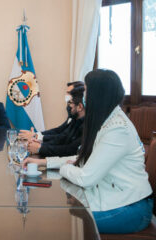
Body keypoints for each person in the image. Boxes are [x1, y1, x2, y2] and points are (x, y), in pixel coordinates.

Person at [59, 69, 153, 234]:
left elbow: (86, 177)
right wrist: (48, 163)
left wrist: (64, 168)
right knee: (66, 213)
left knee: (65, 221)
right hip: (117, 199)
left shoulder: (117, 129)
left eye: (87, 91)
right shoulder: (108, 120)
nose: (84, 96)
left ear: (97, 94)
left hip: (131, 208)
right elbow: (84, 159)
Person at [25, 84, 85, 157]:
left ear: (80, 107)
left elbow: (70, 150)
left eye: (71, 102)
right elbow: (61, 137)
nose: (69, 105)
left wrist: (40, 147)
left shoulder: (85, 125)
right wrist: (39, 143)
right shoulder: (76, 119)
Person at [19, 81, 85, 141]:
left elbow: (63, 137)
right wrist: (37, 135)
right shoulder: (71, 110)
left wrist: (36, 137)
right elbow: (59, 130)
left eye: (68, 93)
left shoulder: (79, 117)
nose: (66, 96)